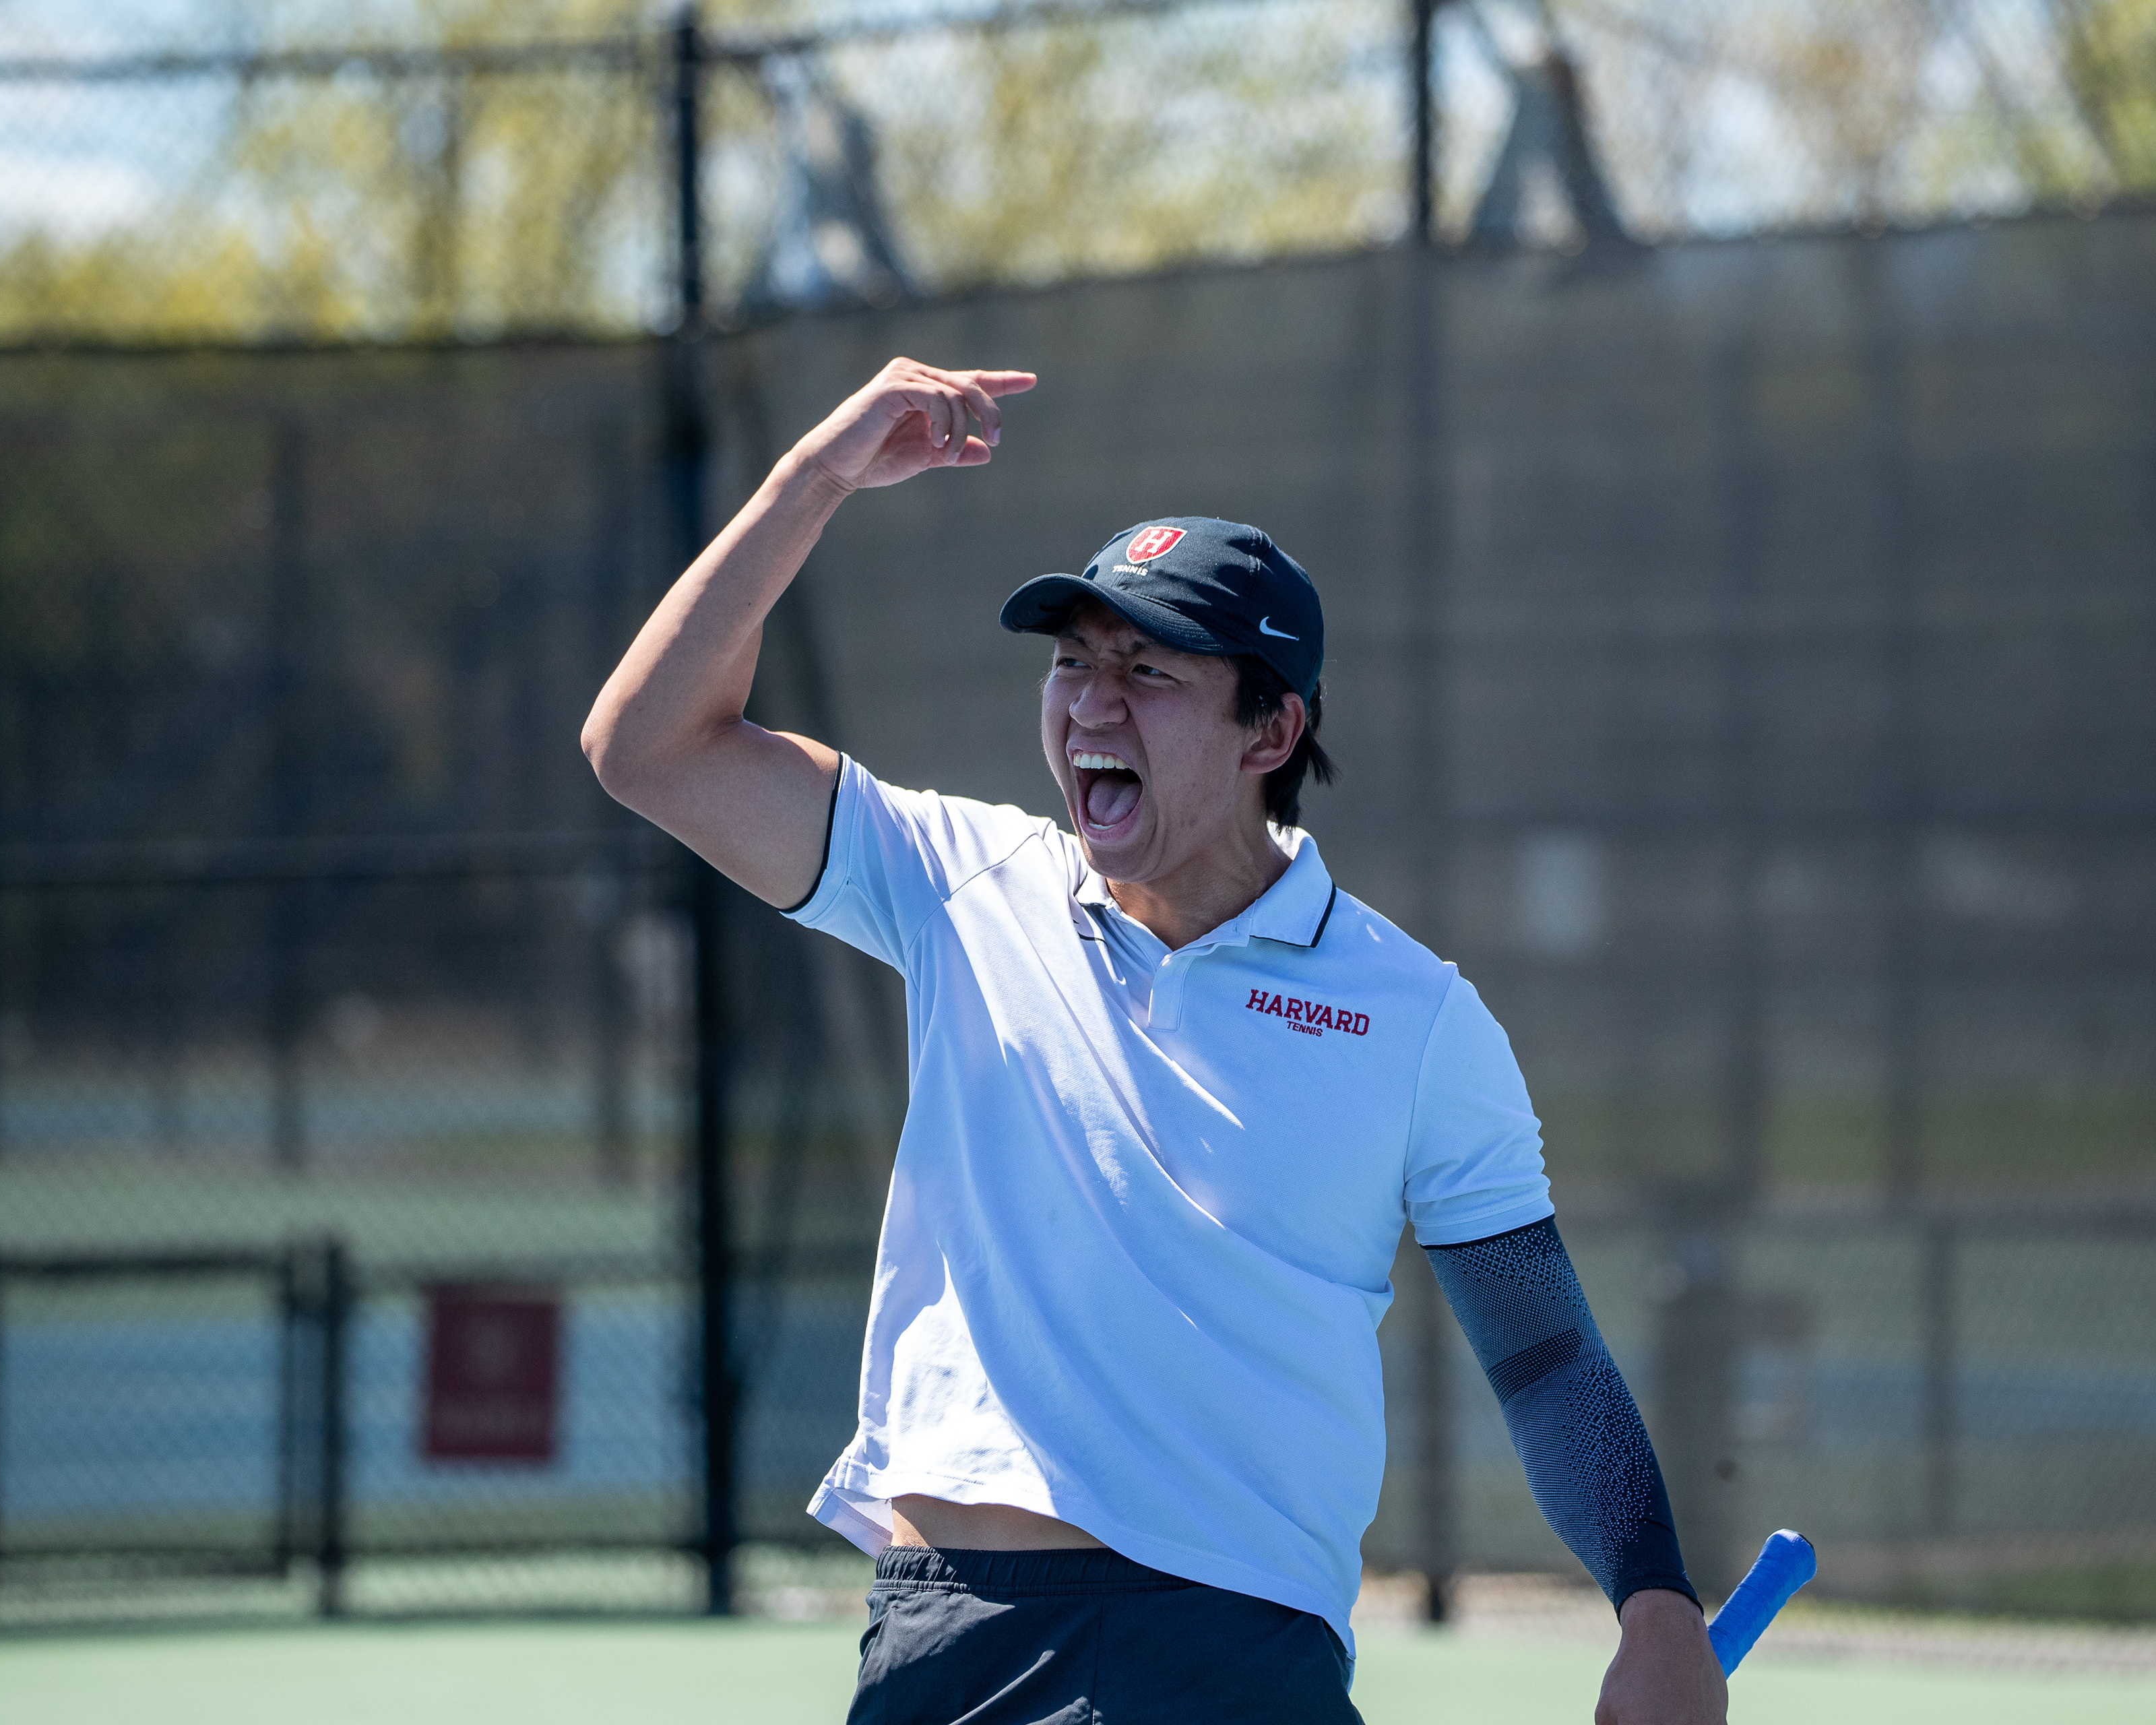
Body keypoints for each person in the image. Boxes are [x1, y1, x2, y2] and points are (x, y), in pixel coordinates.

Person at [583, 357, 1726, 1724]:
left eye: (1148, 669)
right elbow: (649, 747)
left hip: (1231, 1654)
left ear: (1272, 728)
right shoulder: (955, 881)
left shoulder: (1419, 1018)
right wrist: (811, 478)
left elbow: (1541, 1353)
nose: (1090, 704)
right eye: (1072, 663)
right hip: (952, 1634)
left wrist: (1655, 1601)